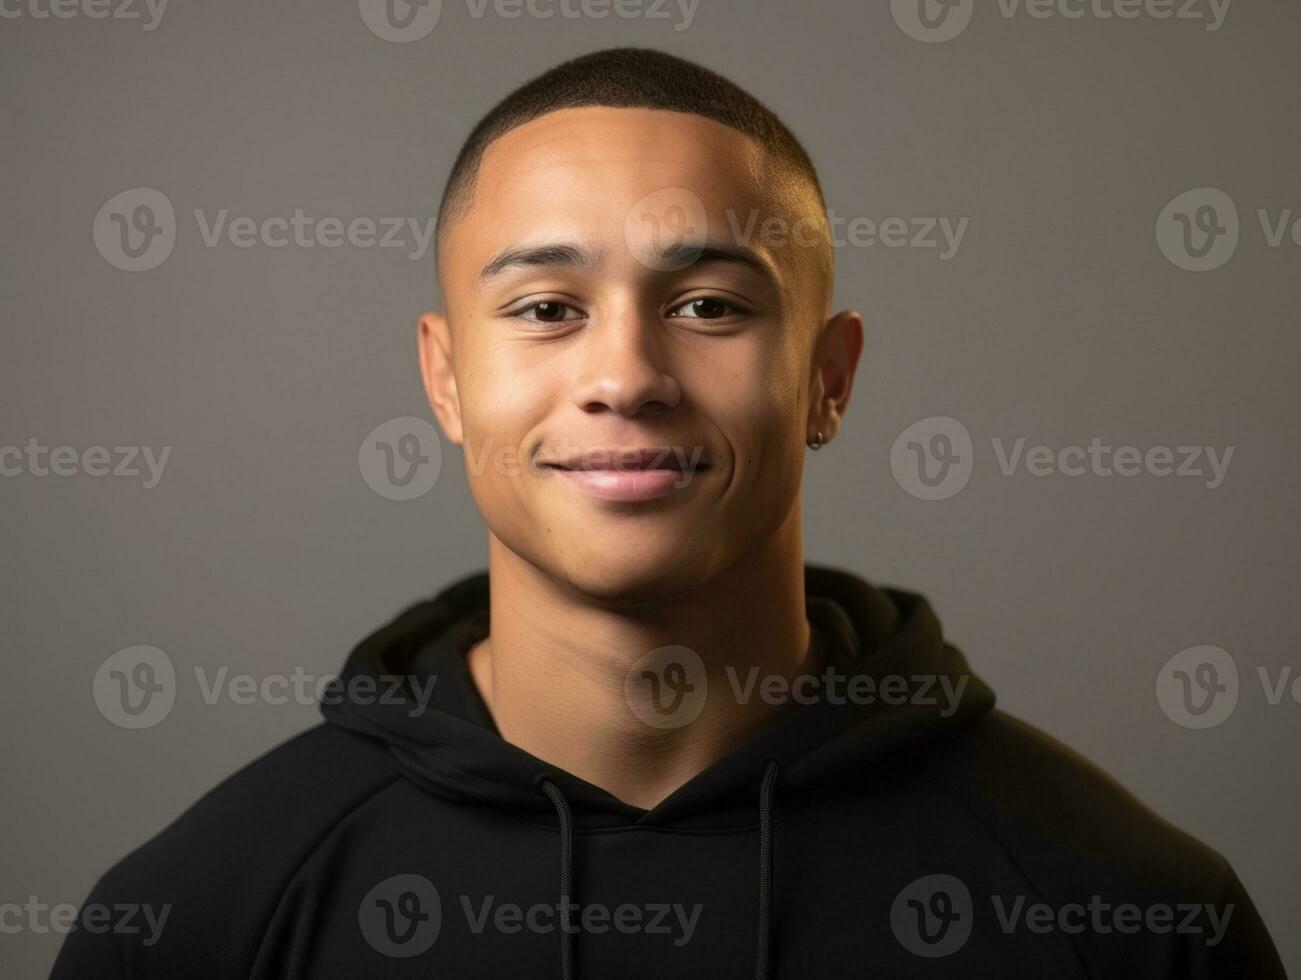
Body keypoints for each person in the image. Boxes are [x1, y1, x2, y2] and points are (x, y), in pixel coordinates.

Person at [53, 46, 1285, 979]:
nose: (626, 374)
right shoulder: (200, 918)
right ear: (442, 376)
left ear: (827, 378)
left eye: (706, 305)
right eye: (545, 307)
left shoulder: (1127, 912)